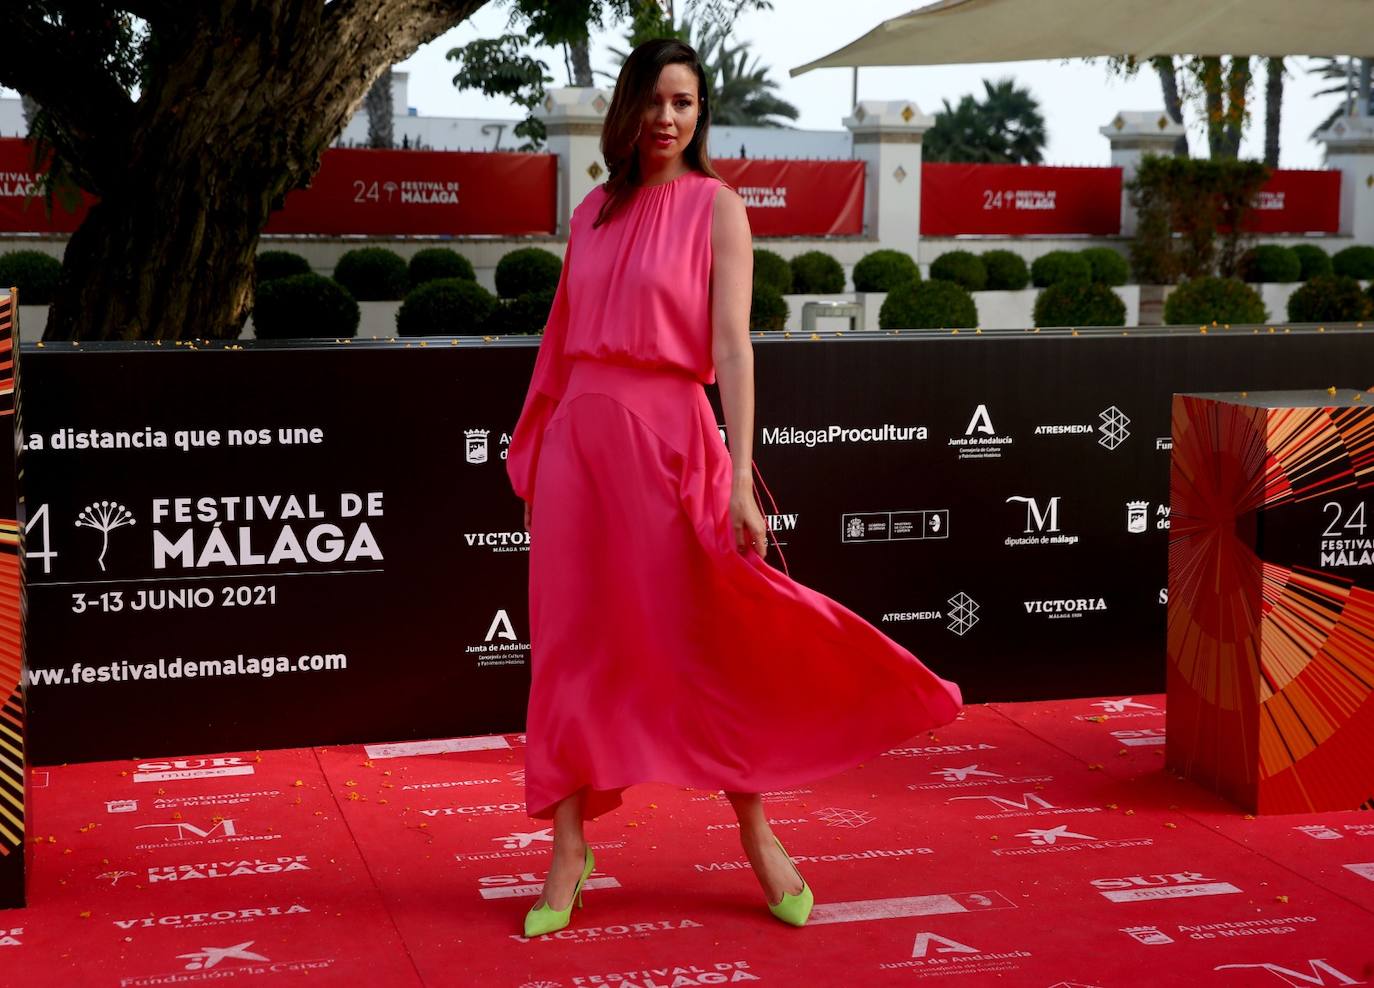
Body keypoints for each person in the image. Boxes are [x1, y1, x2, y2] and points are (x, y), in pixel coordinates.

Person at [505, 38, 963, 938]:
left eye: (685, 103)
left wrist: (742, 479)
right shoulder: (591, 210)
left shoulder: (718, 209)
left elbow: (732, 350)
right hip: (579, 453)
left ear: (699, 115)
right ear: (628, 111)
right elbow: (558, 343)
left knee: (705, 637)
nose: (669, 118)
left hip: (670, 443)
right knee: (567, 648)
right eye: (655, 101)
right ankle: (568, 848)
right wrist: (540, 450)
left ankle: (757, 834)